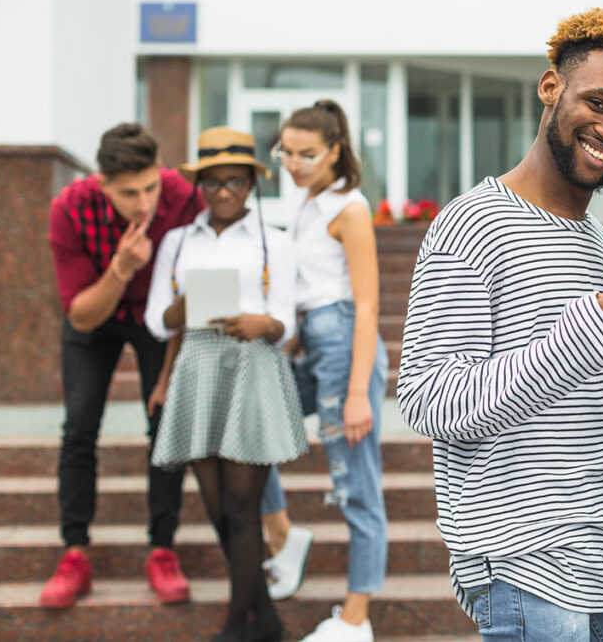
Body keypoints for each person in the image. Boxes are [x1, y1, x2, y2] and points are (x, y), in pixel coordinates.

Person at [397, 6, 603, 641]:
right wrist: (572, 342)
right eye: (599, 104)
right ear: (551, 87)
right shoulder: (471, 224)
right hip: (526, 569)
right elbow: (427, 399)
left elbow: (594, 422)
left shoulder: (596, 242)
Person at [145, 127, 307, 642]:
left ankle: (239, 625)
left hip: (251, 367)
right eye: (211, 183)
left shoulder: (273, 241)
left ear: (251, 184)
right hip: (197, 368)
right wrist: (184, 307)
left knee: (242, 504)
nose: (221, 193)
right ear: (199, 187)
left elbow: (286, 319)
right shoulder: (177, 241)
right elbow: (156, 320)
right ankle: (269, 622)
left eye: (233, 181)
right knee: (218, 508)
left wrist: (265, 324)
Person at [43, 123, 201, 609]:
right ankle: (74, 554)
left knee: (166, 426)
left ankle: (162, 549)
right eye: (129, 193)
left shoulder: (183, 197)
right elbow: (81, 314)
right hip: (100, 309)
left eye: (150, 186)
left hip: (160, 317)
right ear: (102, 183)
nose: (144, 203)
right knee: (80, 427)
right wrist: (120, 268)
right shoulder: (70, 208)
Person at [268, 99, 390, 642]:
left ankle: (356, 618)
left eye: (307, 154)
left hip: (344, 346)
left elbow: (365, 306)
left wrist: (360, 393)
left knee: (356, 486)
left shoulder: (351, 209)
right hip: (308, 345)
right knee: (254, 435)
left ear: (335, 151)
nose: (293, 164)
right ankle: (284, 537)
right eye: (285, 153)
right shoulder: (308, 204)